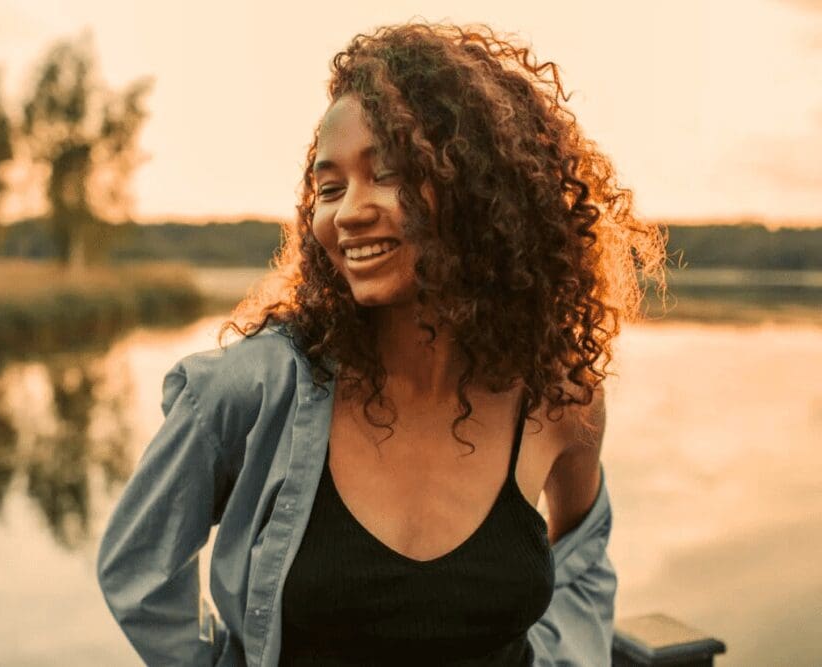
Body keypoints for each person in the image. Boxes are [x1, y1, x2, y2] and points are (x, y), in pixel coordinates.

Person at [98, 21, 667, 666]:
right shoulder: (248, 390)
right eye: (329, 187)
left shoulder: (560, 396)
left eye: (388, 174)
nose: (347, 213)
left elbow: (583, 554)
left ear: (483, 192)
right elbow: (139, 572)